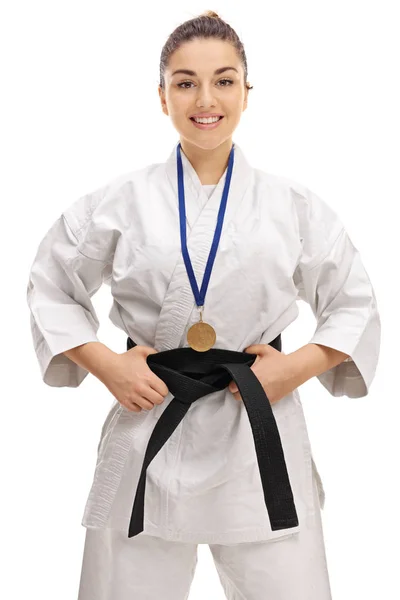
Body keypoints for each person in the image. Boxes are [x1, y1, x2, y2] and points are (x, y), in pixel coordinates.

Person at [26, 9, 381, 600]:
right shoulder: (117, 202)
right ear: (161, 97)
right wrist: (107, 365)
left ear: (247, 91)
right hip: (151, 414)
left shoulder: (293, 205)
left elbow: (354, 300)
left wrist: (295, 367)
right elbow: (50, 283)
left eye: (223, 79)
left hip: (256, 425)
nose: (204, 98)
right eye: (184, 82)